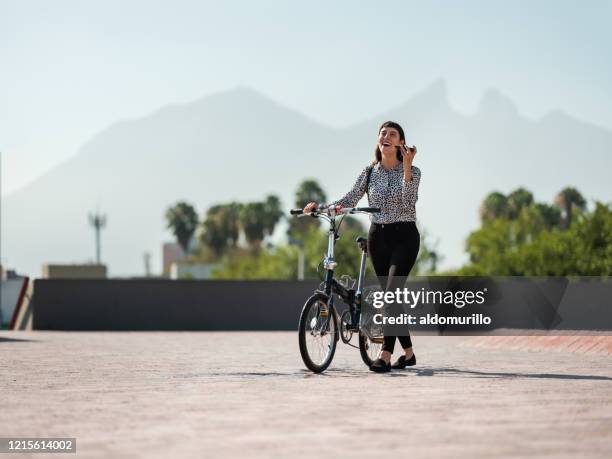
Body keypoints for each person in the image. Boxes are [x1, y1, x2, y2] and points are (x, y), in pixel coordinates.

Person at [303, 120, 421, 373]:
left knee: (391, 294)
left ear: (401, 142)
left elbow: (408, 202)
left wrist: (408, 166)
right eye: (382, 133)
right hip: (379, 237)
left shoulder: (413, 170)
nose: (385, 137)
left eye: (392, 134)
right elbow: (349, 198)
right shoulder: (369, 173)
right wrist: (321, 208)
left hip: (405, 237)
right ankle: (409, 354)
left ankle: (385, 354)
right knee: (393, 300)